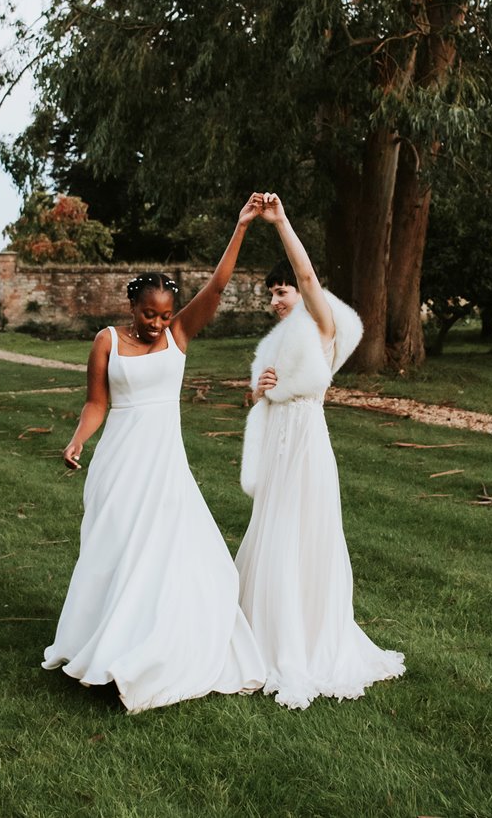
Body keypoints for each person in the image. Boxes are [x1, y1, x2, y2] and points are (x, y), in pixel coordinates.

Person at [42, 196, 266, 713]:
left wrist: (240, 227)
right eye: (148, 314)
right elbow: (96, 403)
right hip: (120, 465)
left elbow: (217, 286)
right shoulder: (107, 342)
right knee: (116, 555)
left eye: (164, 316)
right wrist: (79, 439)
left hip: (165, 468)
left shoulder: (180, 336)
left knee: (187, 561)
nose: (157, 324)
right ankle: (106, 646)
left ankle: (151, 653)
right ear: (132, 307)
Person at [236, 192, 405, 710]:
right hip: (279, 446)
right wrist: (258, 390)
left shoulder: (323, 328)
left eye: (280, 291)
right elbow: (258, 402)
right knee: (271, 527)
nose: (276, 301)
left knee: (302, 531)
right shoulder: (279, 344)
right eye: (271, 295)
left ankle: (305, 640)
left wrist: (282, 221)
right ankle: (261, 632)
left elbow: (310, 280)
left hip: (307, 445)